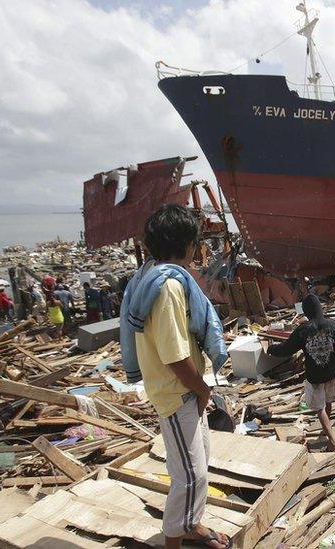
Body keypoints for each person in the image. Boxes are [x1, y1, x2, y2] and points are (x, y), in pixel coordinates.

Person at [118, 204, 230, 549]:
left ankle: (192, 525)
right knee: (190, 475)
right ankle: (173, 542)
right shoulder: (168, 287)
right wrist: (203, 390)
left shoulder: (150, 274)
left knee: (197, 466)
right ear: (188, 245)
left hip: (182, 389)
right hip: (178, 390)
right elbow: (175, 355)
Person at [266, 293, 335, 450]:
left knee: (320, 409)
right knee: (328, 402)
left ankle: (332, 441)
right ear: (320, 308)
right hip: (331, 372)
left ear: (306, 311)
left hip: (315, 375)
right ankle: (328, 430)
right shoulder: (331, 325)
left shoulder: (302, 330)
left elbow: (286, 349)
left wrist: (271, 349)